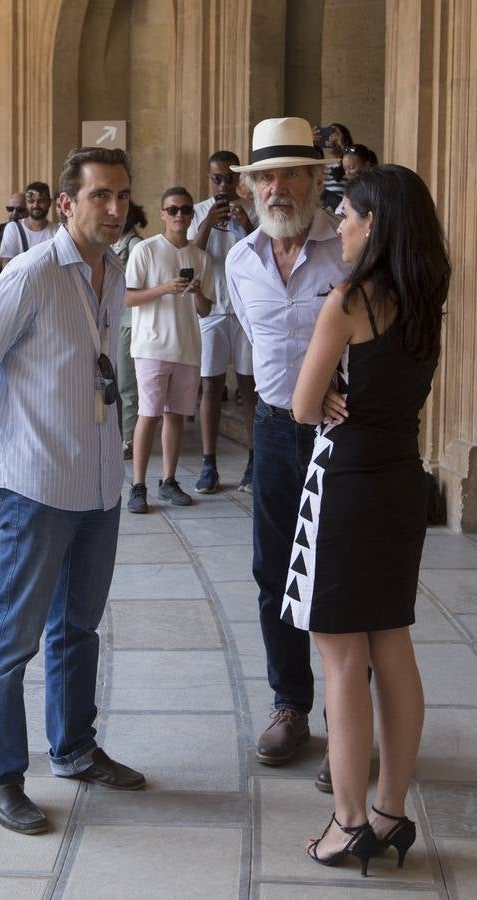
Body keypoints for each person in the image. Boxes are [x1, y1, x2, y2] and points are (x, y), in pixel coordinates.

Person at [0, 147, 146, 836]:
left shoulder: (113, 270)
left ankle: (74, 749)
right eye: (99, 197)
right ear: (65, 203)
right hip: (31, 482)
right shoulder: (28, 274)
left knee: (77, 629)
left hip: (95, 479)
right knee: (11, 639)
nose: (114, 210)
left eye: (120, 196)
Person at [293, 165, 449, 876]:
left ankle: (347, 822)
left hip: (347, 484)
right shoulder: (425, 296)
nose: (340, 226)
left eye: (349, 215)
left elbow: (299, 404)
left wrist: (324, 387)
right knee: (391, 645)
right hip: (399, 482)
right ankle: (387, 813)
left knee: (340, 657)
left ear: (375, 223)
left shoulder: (348, 299)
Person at [225, 117, 351, 773]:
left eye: (288, 174)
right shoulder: (238, 258)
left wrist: (336, 384)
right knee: (273, 569)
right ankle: (289, 705)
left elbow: (374, 334)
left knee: (338, 575)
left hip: (341, 433)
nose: (275, 187)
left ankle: (346, 726)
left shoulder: (348, 248)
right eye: (264, 176)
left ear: (312, 181)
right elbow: (254, 344)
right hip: (273, 430)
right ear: (251, 188)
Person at [124, 188, 214, 512]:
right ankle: (137, 486)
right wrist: (164, 288)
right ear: (162, 214)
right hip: (151, 345)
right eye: (172, 210)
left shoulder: (201, 258)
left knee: (176, 415)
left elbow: (205, 310)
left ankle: (169, 480)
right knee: (148, 414)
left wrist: (198, 291)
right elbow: (128, 297)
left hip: (188, 347)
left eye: (185, 210)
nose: (179, 215)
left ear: (192, 215)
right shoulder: (146, 250)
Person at [189, 150, 259, 493]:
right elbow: (191, 254)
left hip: (246, 311)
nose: (223, 184)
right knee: (211, 386)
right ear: (209, 178)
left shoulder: (253, 209)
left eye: (230, 177)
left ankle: (253, 461)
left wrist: (247, 225)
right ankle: (209, 463)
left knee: (249, 388)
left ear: (238, 179)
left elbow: (265, 256)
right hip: (212, 310)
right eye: (217, 178)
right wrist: (207, 224)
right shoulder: (200, 212)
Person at [112, 202, 147, 457]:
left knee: (127, 384)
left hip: (130, 321)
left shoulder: (135, 245)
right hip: (116, 319)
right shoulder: (116, 243)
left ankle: (130, 439)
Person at [0, 181, 58, 265]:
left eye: (41, 201)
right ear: (26, 203)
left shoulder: (57, 231)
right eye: (31, 201)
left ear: (49, 202)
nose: (36, 205)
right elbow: (7, 267)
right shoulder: (13, 229)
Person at [335, 145, 379, 214]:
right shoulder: (352, 189)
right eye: (345, 169)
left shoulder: (374, 189)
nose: (347, 173)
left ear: (366, 165)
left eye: (351, 168)